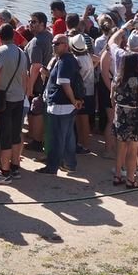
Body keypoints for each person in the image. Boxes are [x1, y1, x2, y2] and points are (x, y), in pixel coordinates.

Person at [0, 25, 27, 182]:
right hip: (18, 97)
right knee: (15, 134)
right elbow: (24, 76)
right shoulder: (21, 53)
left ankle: (4, 172)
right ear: (13, 36)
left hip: (4, 98)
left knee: (3, 136)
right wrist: (24, 93)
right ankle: (15, 167)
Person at [40, 33, 82, 176]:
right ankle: (70, 164)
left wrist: (73, 100)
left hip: (61, 106)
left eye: (56, 44)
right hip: (66, 106)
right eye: (52, 43)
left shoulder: (65, 60)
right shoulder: (67, 59)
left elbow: (65, 83)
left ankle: (52, 167)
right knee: (68, 136)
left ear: (65, 45)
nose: (53, 46)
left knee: (56, 138)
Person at [110, 50, 138, 187]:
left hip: (120, 115)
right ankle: (130, 179)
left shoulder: (117, 78)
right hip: (135, 116)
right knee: (133, 149)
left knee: (121, 147)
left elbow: (112, 99)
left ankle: (117, 176)